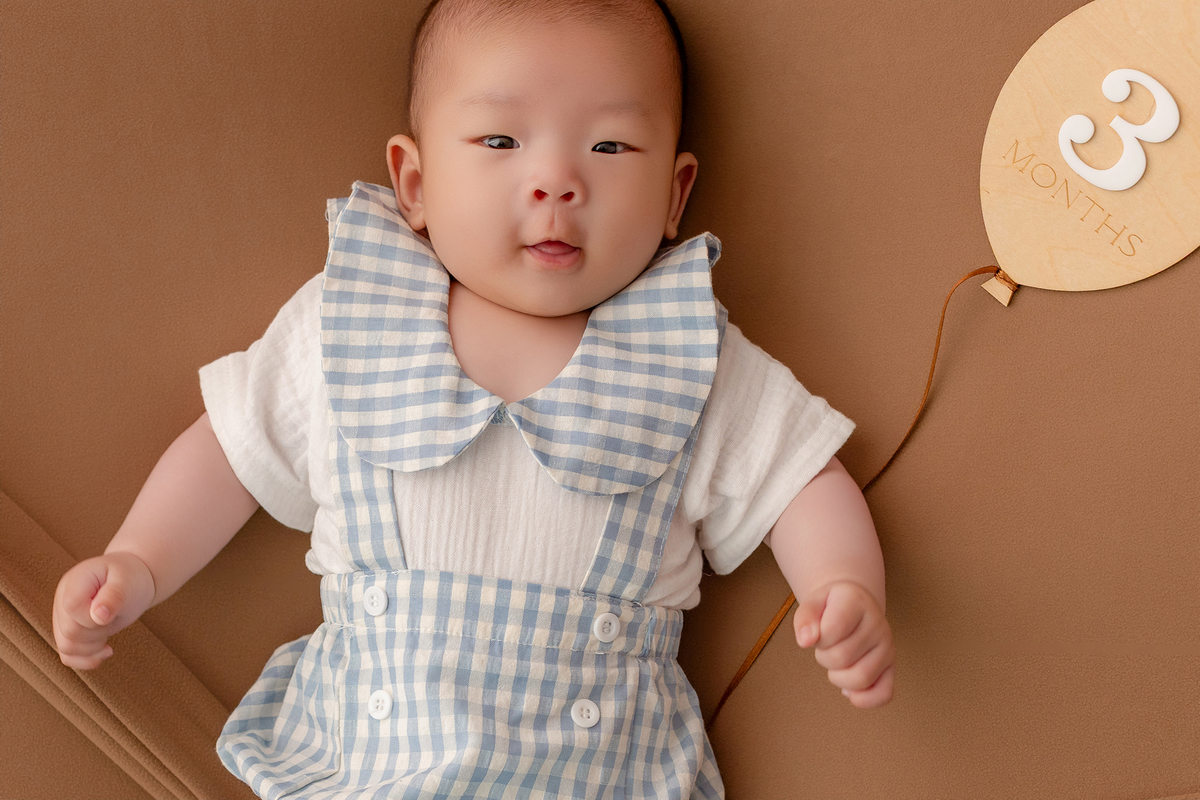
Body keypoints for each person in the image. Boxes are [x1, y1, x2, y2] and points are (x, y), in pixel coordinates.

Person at [52, 0, 894, 796]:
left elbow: (802, 481)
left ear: (675, 195)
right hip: (364, 769)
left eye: (609, 148)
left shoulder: (688, 357)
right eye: (500, 139)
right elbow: (229, 450)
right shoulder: (352, 324)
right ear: (414, 183)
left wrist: (842, 585)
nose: (555, 180)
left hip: (603, 773)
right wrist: (138, 561)